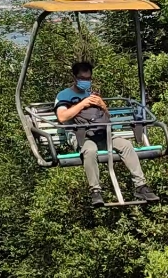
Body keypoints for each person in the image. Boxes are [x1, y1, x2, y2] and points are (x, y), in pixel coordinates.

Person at [54, 61, 159, 208]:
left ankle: (141, 186)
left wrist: (102, 105)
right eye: (82, 79)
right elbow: (62, 117)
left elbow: (106, 117)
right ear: (75, 78)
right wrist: (82, 104)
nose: (86, 82)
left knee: (126, 145)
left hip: (103, 132)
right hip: (81, 136)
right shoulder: (64, 95)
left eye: (88, 79)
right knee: (90, 150)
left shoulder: (92, 94)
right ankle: (95, 191)